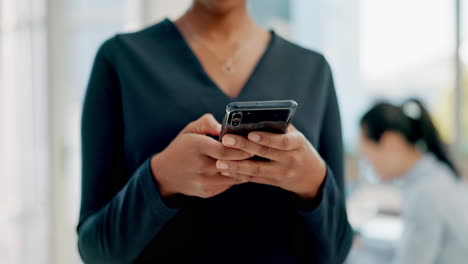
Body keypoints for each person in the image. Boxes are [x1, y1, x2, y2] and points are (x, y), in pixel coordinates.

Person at [77, 0, 353, 263]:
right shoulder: (121, 59)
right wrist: (160, 179)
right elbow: (95, 251)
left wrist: (313, 182)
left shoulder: (312, 69)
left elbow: (336, 252)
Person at [359, 99, 468, 264]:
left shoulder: (425, 193)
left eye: (367, 156)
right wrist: (365, 244)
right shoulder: (437, 175)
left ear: (390, 142)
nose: (369, 165)